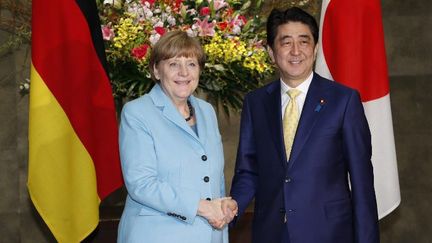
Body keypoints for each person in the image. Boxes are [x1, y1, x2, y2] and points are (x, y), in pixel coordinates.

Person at [226, 7, 380, 243]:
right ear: (271, 51)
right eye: (286, 42)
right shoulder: (256, 103)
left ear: (315, 48)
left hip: (329, 233)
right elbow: (248, 171)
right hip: (271, 233)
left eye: (304, 41)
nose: (296, 51)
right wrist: (230, 211)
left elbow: (361, 182)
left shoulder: (344, 101)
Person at [117, 30, 237, 243]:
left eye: (191, 64)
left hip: (209, 234)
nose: (184, 72)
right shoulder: (137, 112)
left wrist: (222, 205)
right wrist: (203, 208)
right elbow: (141, 184)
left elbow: (212, 176)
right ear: (156, 70)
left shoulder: (207, 111)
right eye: (173, 64)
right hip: (155, 235)